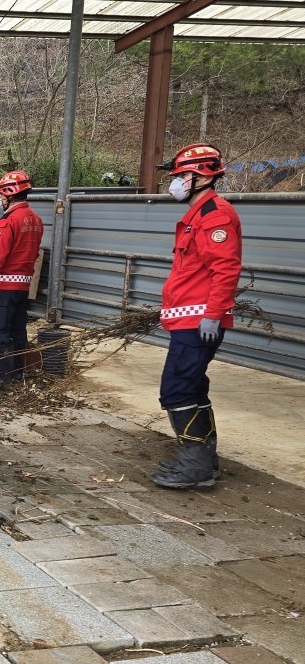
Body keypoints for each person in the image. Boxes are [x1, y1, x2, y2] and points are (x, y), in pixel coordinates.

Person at [151, 143, 241, 489]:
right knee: (193, 388)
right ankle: (204, 462)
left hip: (199, 322)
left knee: (177, 389)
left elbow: (226, 268)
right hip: (189, 319)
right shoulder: (198, 215)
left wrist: (213, 314)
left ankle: (196, 466)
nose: (175, 183)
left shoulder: (214, 216)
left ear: (201, 177)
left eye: (181, 176)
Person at [0, 170, 43, 386]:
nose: (0, 200)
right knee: (18, 331)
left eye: (2, 196)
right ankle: (18, 372)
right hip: (23, 286)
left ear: (9, 194)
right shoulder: (35, 220)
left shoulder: (8, 222)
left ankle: (2, 376)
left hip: (4, 285)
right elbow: (34, 254)